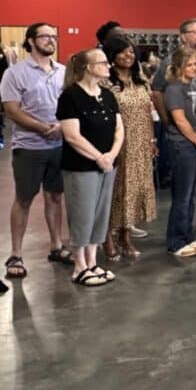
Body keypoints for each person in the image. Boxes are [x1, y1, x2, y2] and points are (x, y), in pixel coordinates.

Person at [0, 23, 71, 279]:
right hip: (28, 147)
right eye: (45, 36)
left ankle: (56, 246)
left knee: (55, 197)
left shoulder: (64, 72)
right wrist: (42, 128)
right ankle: (15, 254)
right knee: (24, 199)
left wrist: (61, 126)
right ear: (30, 41)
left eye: (54, 36)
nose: (51, 40)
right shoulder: (15, 73)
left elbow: (70, 105)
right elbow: (12, 110)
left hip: (59, 145)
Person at [57, 49, 123, 287]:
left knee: (100, 215)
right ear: (88, 67)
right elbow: (72, 136)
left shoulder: (107, 95)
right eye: (103, 62)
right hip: (81, 166)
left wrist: (111, 155)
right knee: (82, 215)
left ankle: (93, 261)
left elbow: (119, 128)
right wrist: (98, 157)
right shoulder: (70, 96)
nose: (108, 66)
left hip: (108, 165)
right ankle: (79, 266)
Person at [152, 18, 196, 229]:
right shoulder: (171, 63)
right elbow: (157, 91)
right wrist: (168, 120)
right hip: (183, 132)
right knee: (184, 189)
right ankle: (179, 235)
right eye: (195, 32)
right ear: (183, 37)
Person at [103, 37, 157, 259]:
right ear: (112, 55)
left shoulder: (141, 81)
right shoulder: (106, 83)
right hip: (117, 143)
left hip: (141, 142)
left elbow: (148, 113)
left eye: (132, 52)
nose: (129, 56)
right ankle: (107, 236)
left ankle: (125, 236)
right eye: (123, 52)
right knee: (115, 190)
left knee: (134, 190)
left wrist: (152, 140)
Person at [163, 47, 196, 257]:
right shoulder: (174, 89)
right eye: (190, 65)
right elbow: (180, 121)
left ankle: (188, 235)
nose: (195, 68)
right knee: (182, 195)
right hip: (182, 145)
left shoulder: (193, 86)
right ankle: (176, 241)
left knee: (190, 195)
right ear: (180, 67)